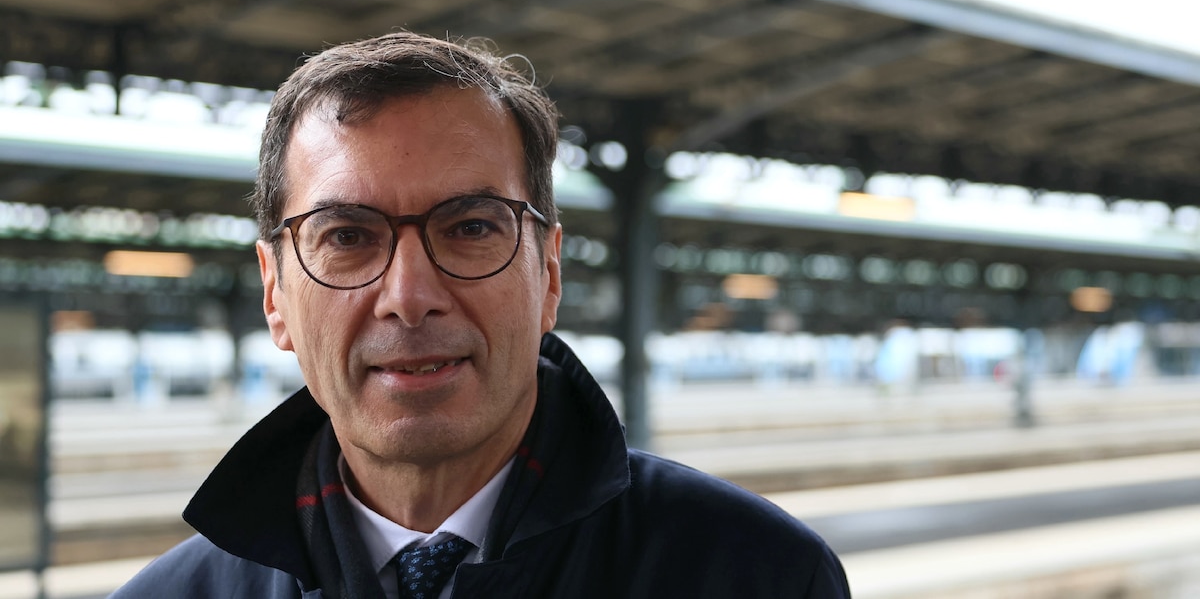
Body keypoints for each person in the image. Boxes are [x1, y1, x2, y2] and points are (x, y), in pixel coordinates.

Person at [112, 31, 850, 599]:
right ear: (275, 292)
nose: (408, 294)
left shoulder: (763, 576)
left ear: (549, 272)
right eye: (346, 237)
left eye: (470, 227)